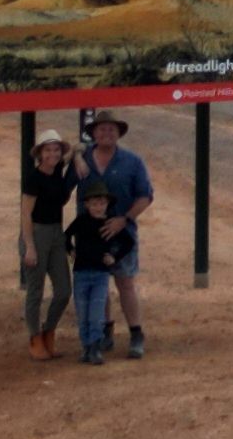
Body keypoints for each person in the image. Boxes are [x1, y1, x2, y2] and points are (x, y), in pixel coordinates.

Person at [74, 109, 157, 359]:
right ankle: (104, 332)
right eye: (101, 129)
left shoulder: (132, 161)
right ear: (93, 134)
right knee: (98, 283)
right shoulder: (83, 159)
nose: (106, 133)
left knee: (125, 283)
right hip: (90, 236)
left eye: (111, 129)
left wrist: (125, 219)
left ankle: (136, 333)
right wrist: (76, 153)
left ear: (118, 133)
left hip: (122, 234)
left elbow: (145, 195)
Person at [20, 132, 78, 358]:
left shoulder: (57, 169)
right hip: (37, 232)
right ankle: (35, 338)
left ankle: (48, 331)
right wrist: (29, 246)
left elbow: (73, 151)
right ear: (40, 154)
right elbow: (26, 213)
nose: (52, 154)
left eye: (56, 149)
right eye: (47, 150)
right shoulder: (34, 178)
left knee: (63, 290)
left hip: (56, 232)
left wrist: (78, 152)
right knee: (35, 290)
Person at [66, 188, 130, 365]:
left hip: (100, 273)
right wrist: (71, 250)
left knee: (96, 312)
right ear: (87, 205)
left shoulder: (109, 223)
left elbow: (128, 242)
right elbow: (66, 235)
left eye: (101, 203)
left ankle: (94, 346)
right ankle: (86, 347)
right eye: (94, 204)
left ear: (107, 204)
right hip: (81, 272)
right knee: (82, 312)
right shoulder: (81, 221)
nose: (98, 207)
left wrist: (114, 257)